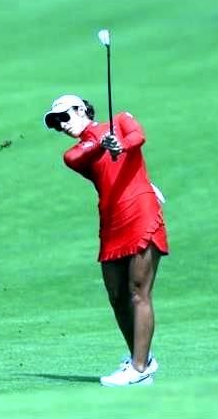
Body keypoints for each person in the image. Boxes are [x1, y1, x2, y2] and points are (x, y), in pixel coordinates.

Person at [43, 94, 169, 387]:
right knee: (117, 296)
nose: (61, 125)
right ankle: (143, 359)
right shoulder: (74, 153)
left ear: (81, 109)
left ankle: (139, 368)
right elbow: (79, 155)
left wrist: (120, 143)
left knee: (138, 291)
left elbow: (138, 137)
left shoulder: (120, 120)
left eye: (64, 116)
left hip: (140, 211)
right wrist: (105, 142)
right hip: (112, 222)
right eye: (56, 123)